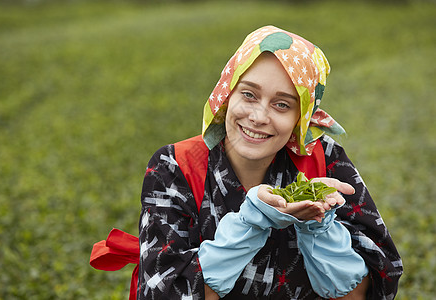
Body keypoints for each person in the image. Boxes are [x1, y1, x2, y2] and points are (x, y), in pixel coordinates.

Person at [92, 25, 403, 299]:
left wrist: (319, 227)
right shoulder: (175, 167)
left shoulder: (324, 158)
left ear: (301, 118)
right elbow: (165, 293)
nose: (258, 117)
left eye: (282, 105)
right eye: (249, 95)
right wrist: (251, 221)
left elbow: (375, 288)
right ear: (227, 94)